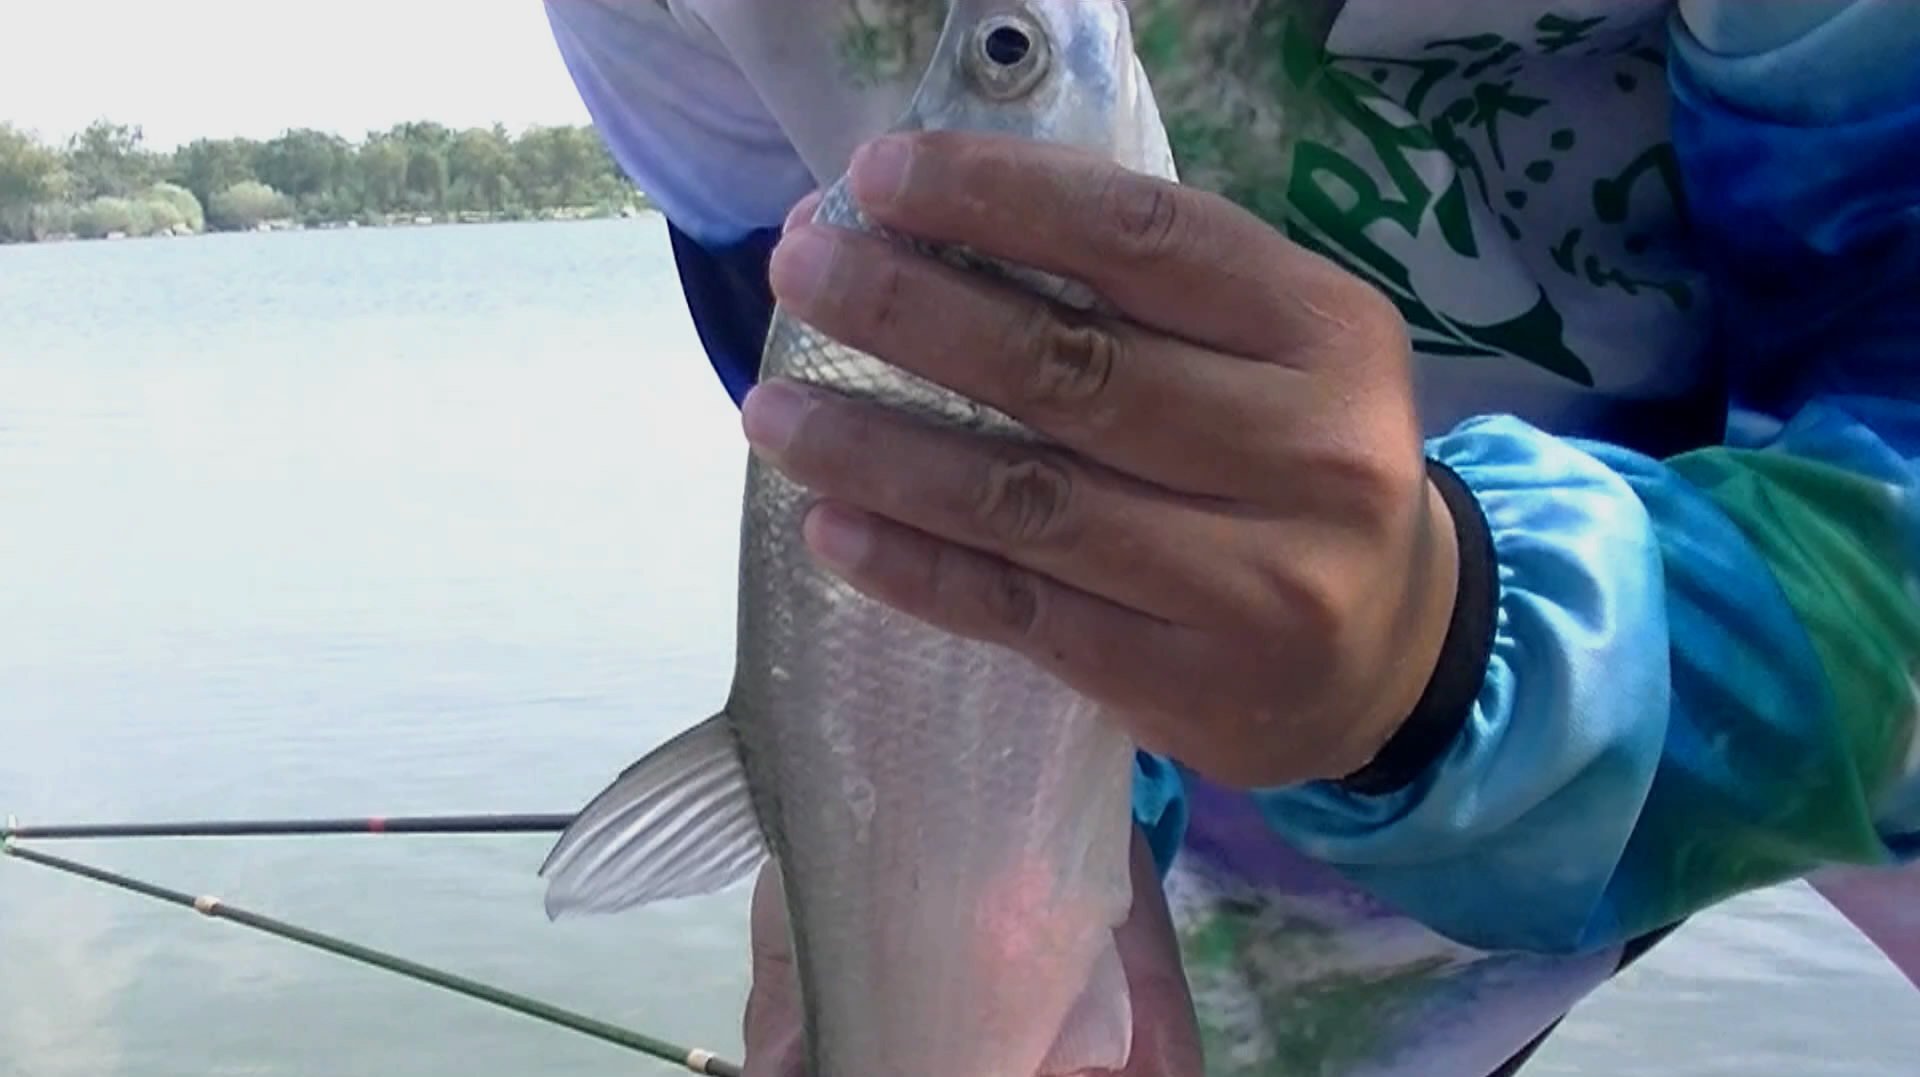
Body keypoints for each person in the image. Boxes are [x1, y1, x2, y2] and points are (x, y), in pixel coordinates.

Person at [539, 0, 1920, 1073]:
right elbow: (834, 435)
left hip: (1739, 722)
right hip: (1063, 883)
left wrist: (1446, 641)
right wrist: (901, 824)